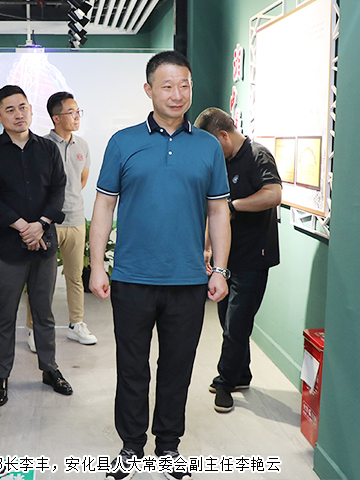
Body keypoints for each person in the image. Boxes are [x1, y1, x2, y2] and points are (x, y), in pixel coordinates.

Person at [89, 51, 231, 480]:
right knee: (132, 368)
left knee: (177, 370)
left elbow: (219, 211)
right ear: (149, 90)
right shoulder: (123, 142)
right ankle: (131, 446)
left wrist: (220, 268)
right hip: (132, 277)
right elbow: (104, 205)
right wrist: (97, 266)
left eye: (184, 85)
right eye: (167, 85)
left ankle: (168, 447)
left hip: (188, 279)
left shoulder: (208, 146)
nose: (177, 94)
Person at [0, 84, 71, 408]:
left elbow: (58, 189)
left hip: (44, 244)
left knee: (44, 313)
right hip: (7, 248)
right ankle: (1, 375)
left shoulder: (47, 149)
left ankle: (50, 368)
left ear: (31, 109)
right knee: (4, 316)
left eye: (23, 107)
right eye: (10, 110)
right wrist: (22, 227)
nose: (19, 114)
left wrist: (40, 224)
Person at [193, 107, 282, 413]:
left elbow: (273, 194)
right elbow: (214, 207)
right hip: (226, 260)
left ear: (223, 135)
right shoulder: (223, 161)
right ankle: (241, 374)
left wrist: (235, 206)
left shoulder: (258, 156)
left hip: (253, 258)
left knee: (236, 323)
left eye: (212, 145)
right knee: (228, 321)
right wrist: (207, 248)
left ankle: (225, 382)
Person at [26, 91, 95, 353]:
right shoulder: (41, 146)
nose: (77, 117)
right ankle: (33, 328)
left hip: (75, 220)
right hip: (47, 223)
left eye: (78, 112)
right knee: (40, 281)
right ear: (56, 118)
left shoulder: (82, 145)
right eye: (71, 112)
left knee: (75, 277)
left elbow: (81, 180)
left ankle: (76, 324)